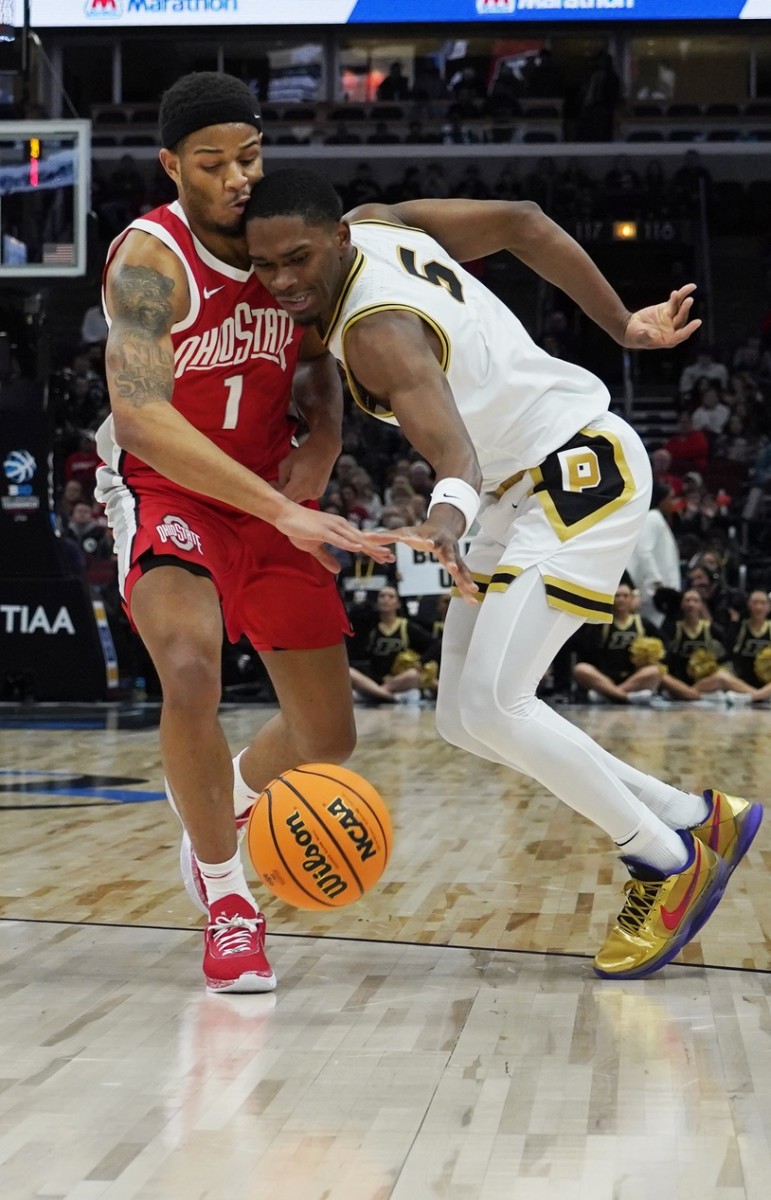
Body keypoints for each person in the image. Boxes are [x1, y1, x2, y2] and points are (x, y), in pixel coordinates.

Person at [244, 167, 763, 981]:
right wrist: (622, 325)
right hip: (514, 496)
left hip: (573, 476)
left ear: (336, 238)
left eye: (295, 261)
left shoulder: (378, 330)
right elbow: (522, 221)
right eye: (263, 264)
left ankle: (664, 863)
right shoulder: (380, 220)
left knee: (499, 702)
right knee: (461, 717)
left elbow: (453, 455)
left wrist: (442, 523)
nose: (279, 282)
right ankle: (693, 817)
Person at [94, 74, 393, 996]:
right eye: (213, 163)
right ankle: (228, 901)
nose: (235, 178)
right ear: (172, 165)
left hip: (270, 489)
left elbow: (314, 365)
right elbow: (141, 416)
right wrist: (282, 508)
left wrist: (326, 438)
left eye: (249, 158)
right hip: (167, 487)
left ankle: (216, 802)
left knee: (326, 735)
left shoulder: (279, 244)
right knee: (189, 665)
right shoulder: (152, 259)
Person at [572, 581, 664, 705]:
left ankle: (609, 694)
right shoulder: (602, 622)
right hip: (605, 677)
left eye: (625, 596)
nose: (621, 599)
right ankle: (626, 697)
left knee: (656, 670)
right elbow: (588, 649)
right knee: (580, 669)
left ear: (632, 599)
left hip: (633, 677)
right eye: (617, 595)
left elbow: (663, 644)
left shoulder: (642, 623)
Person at [626, 483, 682, 629]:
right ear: (661, 500)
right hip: (652, 591)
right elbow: (644, 551)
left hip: (660, 590)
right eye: (671, 498)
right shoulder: (652, 518)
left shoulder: (658, 519)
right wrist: (657, 583)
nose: (673, 502)